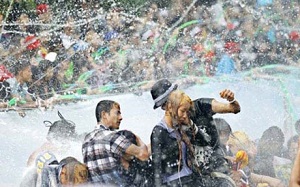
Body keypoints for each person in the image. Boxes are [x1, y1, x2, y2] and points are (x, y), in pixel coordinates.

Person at [150, 79, 240, 185]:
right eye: (164, 105)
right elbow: (158, 166)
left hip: (217, 170)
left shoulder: (200, 106)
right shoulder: (165, 129)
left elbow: (234, 109)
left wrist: (231, 100)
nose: (184, 115)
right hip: (195, 177)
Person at [82, 100, 149, 186]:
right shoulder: (112, 137)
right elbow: (143, 154)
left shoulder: (86, 140)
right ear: (104, 115)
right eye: (117, 113)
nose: (121, 117)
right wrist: (137, 138)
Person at [151, 90, 204, 186]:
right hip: (173, 183)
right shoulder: (159, 132)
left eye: (187, 112)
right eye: (183, 111)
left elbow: (205, 141)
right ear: (170, 108)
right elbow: (156, 168)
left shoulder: (182, 127)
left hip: (192, 179)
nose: (185, 115)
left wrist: (190, 124)